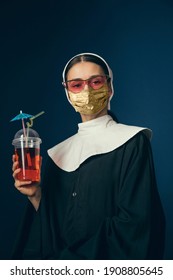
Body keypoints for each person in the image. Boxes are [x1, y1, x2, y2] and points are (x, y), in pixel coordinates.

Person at [11, 52, 165, 260]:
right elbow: (55, 232)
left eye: (96, 82)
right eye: (76, 85)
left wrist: (71, 262)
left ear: (109, 87)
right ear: (67, 92)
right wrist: (35, 195)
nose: (86, 90)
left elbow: (137, 225)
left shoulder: (133, 141)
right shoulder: (58, 154)